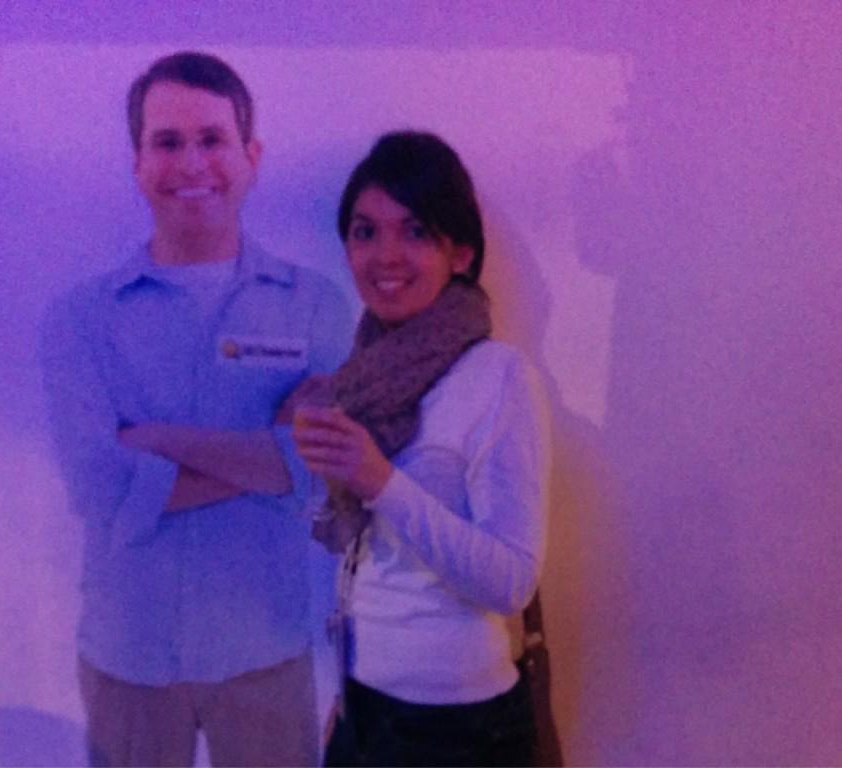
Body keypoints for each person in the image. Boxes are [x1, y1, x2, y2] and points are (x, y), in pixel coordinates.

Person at [40, 51, 350, 767]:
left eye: (212, 139)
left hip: (266, 652)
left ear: (251, 156)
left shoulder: (315, 307)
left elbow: (325, 472)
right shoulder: (82, 319)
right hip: (129, 658)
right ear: (138, 162)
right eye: (168, 142)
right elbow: (98, 488)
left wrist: (156, 441)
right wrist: (272, 456)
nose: (191, 162)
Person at [290, 131, 552, 766]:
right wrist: (346, 701)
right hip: (363, 705)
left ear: (460, 253)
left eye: (415, 232)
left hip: (457, 733)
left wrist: (380, 480)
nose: (386, 255)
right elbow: (367, 561)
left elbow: (511, 583)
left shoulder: (498, 377)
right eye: (365, 231)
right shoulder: (358, 377)